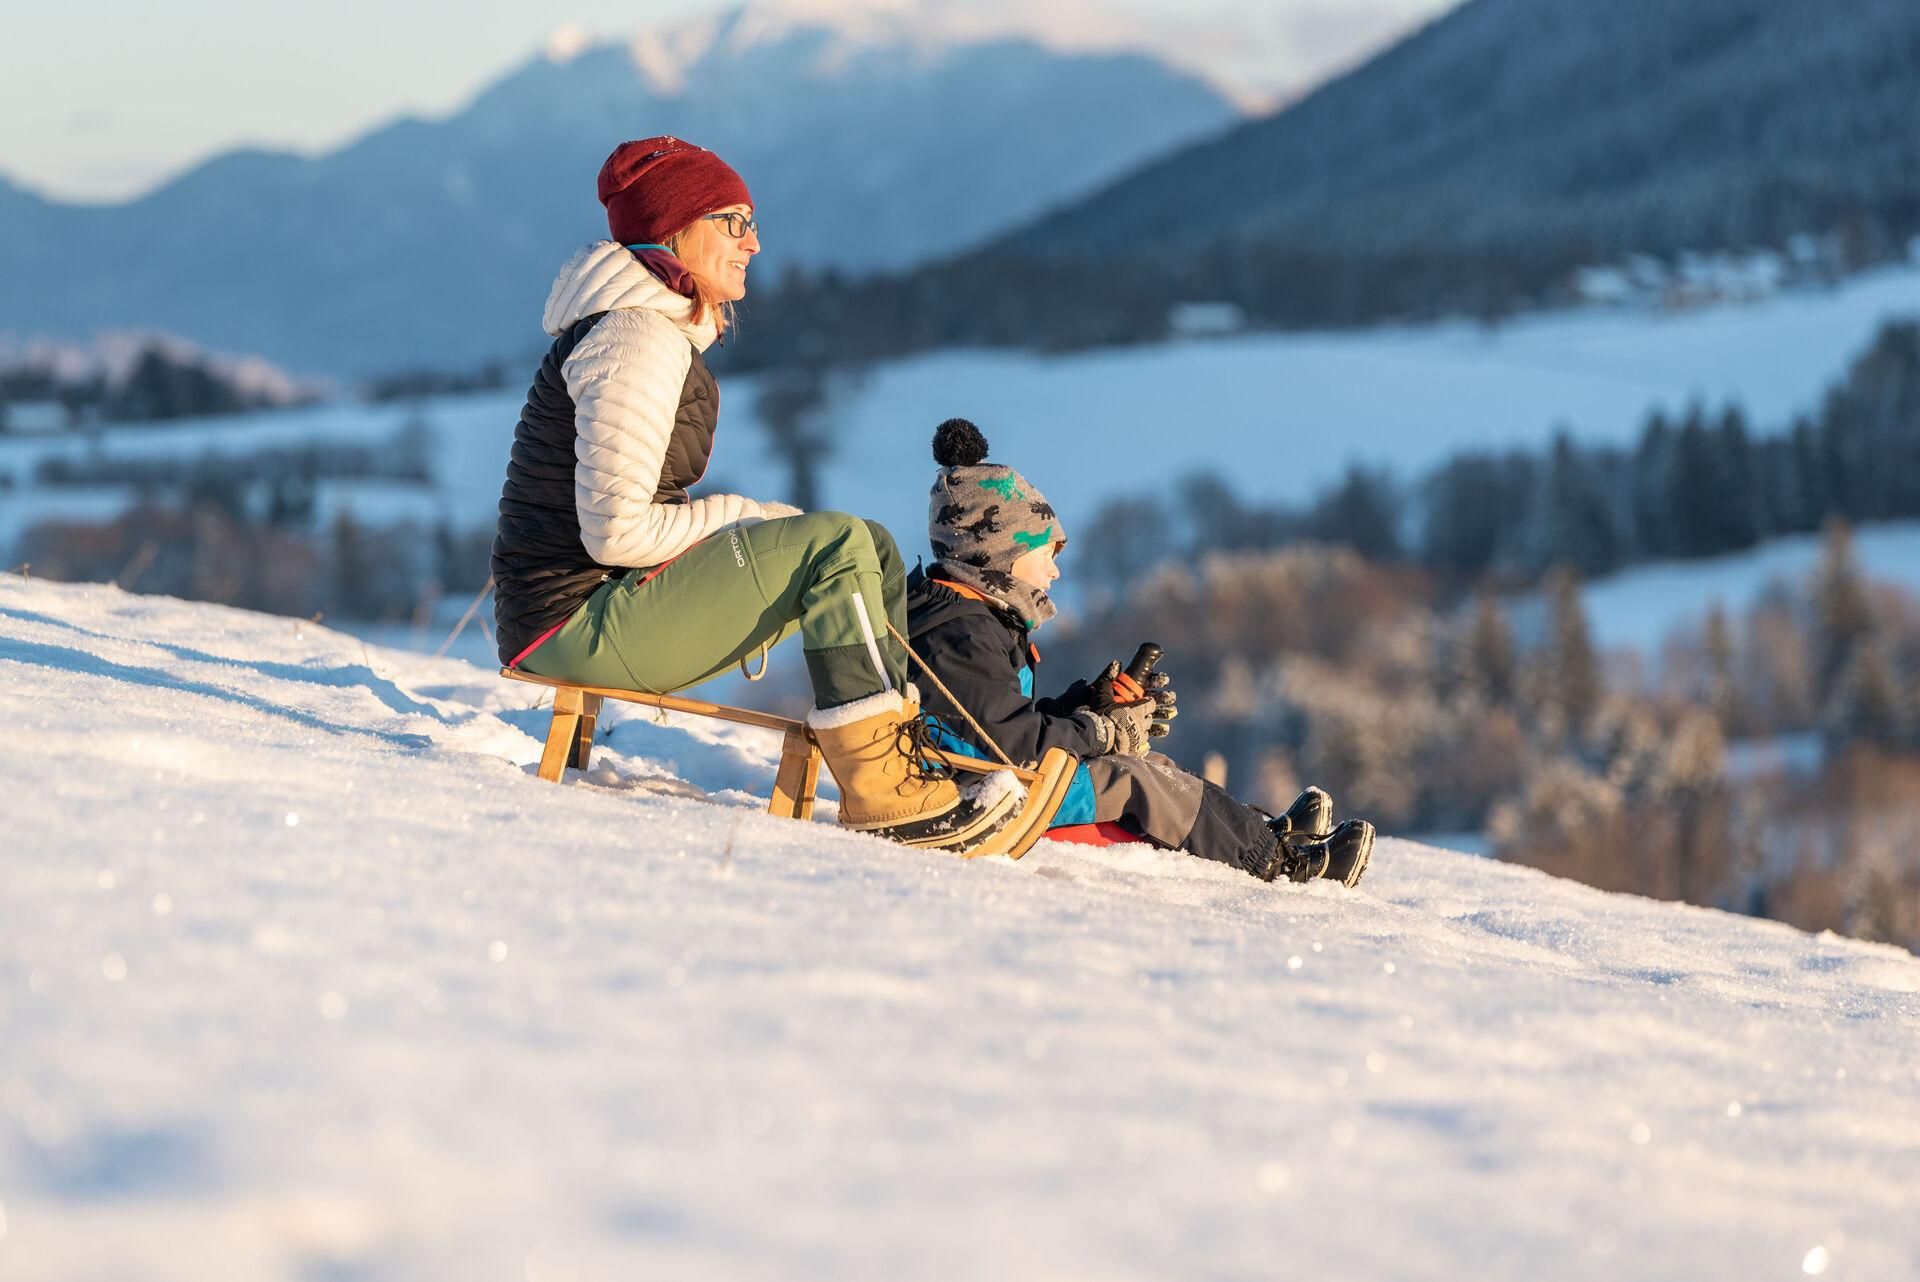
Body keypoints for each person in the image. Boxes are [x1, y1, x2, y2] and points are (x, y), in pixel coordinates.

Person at [491, 136, 1018, 851]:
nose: (755, 243)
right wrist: (750, 517)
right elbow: (616, 532)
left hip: (595, 607)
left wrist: (752, 531)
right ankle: (887, 791)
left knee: (871, 546)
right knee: (834, 544)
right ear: (676, 230)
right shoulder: (635, 341)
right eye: (733, 222)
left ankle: (911, 754)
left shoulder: (648, 334)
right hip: (572, 625)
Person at [903, 419, 1376, 885]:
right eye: (1045, 554)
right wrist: (1101, 731)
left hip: (990, 779)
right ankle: (1282, 866)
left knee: (1155, 771)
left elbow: (992, 721)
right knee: (1139, 781)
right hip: (988, 798)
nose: (1055, 572)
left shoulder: (965, 619)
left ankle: (1263, 834)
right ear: (1000, 552)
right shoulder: (962, 634)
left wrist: (1087, 705)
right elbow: (1011, 746)